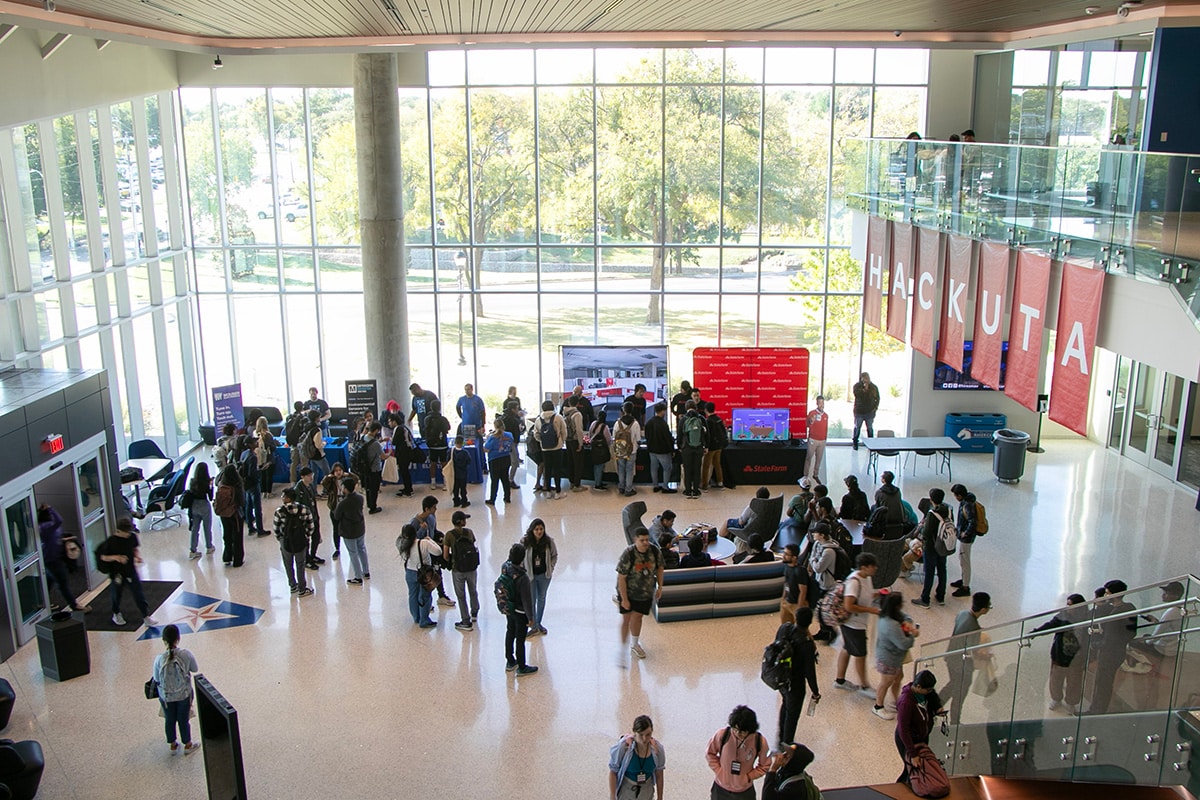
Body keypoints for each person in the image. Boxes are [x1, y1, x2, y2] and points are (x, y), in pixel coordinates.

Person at [1032, 593, 1089, 713]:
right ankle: (1056, 698)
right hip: (1060, 654)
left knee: (1074, 681)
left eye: (1071, 605)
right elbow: (1050, 625)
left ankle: (1071, 702)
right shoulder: (1062, 616)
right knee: (1056, 678)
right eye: (1067, 604)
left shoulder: (1086, 618)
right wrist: (1036, 632)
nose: (1068, 607)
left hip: (1077, 656)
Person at [833, 553, 881, 696]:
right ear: (864, 567)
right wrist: (870, 610)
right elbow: (849, 606)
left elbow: (866, 595)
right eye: (872, 566)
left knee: (847, 648)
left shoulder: (867, 578)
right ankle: (864, 686)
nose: (875, 569)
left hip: (857, 623)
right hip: (852, 624)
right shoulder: (854, 581)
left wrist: (878, 594)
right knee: (861, 654)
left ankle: (839, 680)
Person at [1089, 579, 1138, 714]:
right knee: (1104, 682)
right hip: (1114, 651)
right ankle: (1097, 708)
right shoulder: (1125, 608)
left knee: (1102, 683)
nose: (1105, 596)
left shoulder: (1119, 611)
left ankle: (1097, 710)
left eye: (1107, 593)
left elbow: (1114, 637)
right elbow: (1130, 632)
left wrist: (1098, 644)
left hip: (1109, 653)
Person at [942, 591, 991, 724]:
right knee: (960, 692)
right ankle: (955, 722)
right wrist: (986, 656)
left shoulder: (963, 613)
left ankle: (934, 707)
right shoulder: (974, 628)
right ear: (983, 609)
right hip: (961, 665)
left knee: (953, 684)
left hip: (950, 657)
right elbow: (972, 650)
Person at [616, 527, 664, 660]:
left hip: (645, 592)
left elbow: (660, 568)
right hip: (628, 591)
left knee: (637, 617)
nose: (645, 543)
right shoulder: (628, 554)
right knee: (626, 618)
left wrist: (660, 586)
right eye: (642, 540)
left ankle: (635, 644)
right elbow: (621, 578)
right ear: (635, 539)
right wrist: (624, 599)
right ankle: (622, 646)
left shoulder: (654, 551)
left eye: (647, 540)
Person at [152, 624, 200, 755]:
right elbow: (195, 669)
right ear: (178, 639)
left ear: (164, 640)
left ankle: (173, 745)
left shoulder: (159, 659)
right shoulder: (185, 654)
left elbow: (156, 678)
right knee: (183, 719)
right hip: (183, 694)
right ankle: (188, 744)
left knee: (170, 719)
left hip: (166, 696)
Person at [775, 609, 820, 749]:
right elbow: (809, 672)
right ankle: (787, 742)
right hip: (795, 684)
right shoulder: (806, 645)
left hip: (781, 677)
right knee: (792, 713)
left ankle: (781, 735)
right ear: (810, 622)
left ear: (796, 617)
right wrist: (815, 691)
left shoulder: (785, 628)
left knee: (785, 704)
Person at [706, 705, 771, 800]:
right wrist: (719, 771)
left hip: (744, 791)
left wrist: (748, 777)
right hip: (720, 788)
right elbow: (710, 753)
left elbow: (765, 765)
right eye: (735, 729)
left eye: (742, 731)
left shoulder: (760, 741)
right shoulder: (722, 735)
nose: (737, 733)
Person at [98, 518, 155, 627]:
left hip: (130, 571)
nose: (128, 534)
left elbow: (134, 548)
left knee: (138, 594)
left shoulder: (132, 537)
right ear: (119, 531)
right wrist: (117, 557)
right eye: (126, 532)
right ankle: (116, 613)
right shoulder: (111, 542)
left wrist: (137, 556)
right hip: (117, 573)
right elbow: (103, 557)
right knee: (117, 594)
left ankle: (146, 616)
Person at [894, 670, 945, 785]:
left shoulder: (924, 694)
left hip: (922, 736)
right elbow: (904, 730)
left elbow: (932, 697)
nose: (930, 692)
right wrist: (913, 754)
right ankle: (903, 789)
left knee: (913, 769)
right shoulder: (906, 703)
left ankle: (912, 787)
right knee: (912, 767)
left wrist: (937, 708)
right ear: (918, 686)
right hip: (907, 740)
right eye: (928, 689)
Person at [873, 593, 918, 720]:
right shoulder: (890, 625)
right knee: (886, 681)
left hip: (895, 658)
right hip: (889, 658)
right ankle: (878, 706)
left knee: (898, 677)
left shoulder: (892, 614)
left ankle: (896, 700)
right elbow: (903, 644)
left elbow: (906, 616)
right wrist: (913, 635)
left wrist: (907, 622)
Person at [38, 504, 90, 613]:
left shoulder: (48, 528)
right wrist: (50, 508)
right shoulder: (46, 527)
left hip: (52, 558)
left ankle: (42, 602)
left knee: (49, 580)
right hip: (53, 559)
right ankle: (74, 605)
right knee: (62, 583)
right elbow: (59, 520)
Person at [500, 542, 539, 675]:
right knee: (520, 639)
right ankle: (522, 666)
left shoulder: (505, 567)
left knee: (510, 632)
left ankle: (510, 660)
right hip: (520, 612)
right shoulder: (523, 578)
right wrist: (530, 617)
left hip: (509, 607)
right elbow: (527, 600)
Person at [608, 714, 666, 800]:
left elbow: (659, 774)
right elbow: (613, 772)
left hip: (647, 792)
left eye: (648, 734)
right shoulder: (624, 747)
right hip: (626, 791)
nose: (644, 739)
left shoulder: (658, 749)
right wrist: (613, 797)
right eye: (641, 735)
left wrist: (660, 798)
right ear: (634, 732)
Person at [912, 488, 952, 608]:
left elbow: (926, 533)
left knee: (929, 572)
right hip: (943, 544)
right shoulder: (949, 510)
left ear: (931, 499)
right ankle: (940, 596)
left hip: (931, 546)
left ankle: (925, 599)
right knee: (942, 569)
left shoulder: (932, 513)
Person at [274, 487, 314, 597]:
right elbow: (311, 525)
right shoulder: (304, 509)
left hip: (285, 541)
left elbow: (276, 529)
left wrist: (280, 538)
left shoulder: (279, 511)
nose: (281, 498)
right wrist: (306, 536)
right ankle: (302, 588)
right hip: (301, 540)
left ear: (287, 498)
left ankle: (292, 585)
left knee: (288, 563)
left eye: (283, 496)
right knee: (300, 564)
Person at [443, 510, 480, 631]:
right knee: (473, 590)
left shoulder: (449, 535)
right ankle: (474, 612)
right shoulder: (469, 532)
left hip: (457, 569)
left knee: (461, 595)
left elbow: (445, 555)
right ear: (461, 522)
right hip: (471, 568)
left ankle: (465, 620)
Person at [398, 523, 440, 628]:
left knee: (412, 595)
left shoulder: (402, 545)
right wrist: (430, 540)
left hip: (409, 572)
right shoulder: (424, 543)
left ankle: (416, 617)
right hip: (423, 574)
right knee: (424, 596)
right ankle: (424, 620)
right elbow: (438, 552)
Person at [521, 518, 558, 637]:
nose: (539, 532)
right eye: (536, 529)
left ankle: (538, 624)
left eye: (541, 529)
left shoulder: (549, 542)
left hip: (544, 576)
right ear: (532, 530)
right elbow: (520, 556)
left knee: (541, 598)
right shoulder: (525, 541)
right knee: (531, 600)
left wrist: (551, 568)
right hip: (530, 576)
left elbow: (554, 555)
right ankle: (533, 625)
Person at [332, 475, 368, 585]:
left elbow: (336, 516)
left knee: (353, 553)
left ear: (346, 489)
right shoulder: (360, 498)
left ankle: (357, 576)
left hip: (349, 531)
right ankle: (366, 571)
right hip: (360, 528)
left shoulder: (343, 503)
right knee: (362, 549)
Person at [949, 483, 979, 597]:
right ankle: (963, 580)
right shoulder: (966, 501)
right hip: (964, 536)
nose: (955, 498)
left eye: (956, 495)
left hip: (967, 538)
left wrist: (965, 533)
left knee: (965, 561)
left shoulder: (967, 505)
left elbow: (972, 521)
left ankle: (965, 586)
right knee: (962, 558)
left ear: (960, 495)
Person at [214, 464, 245, 568]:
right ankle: (238, 560)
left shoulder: (221, 485)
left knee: (226, 535)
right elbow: (241, 502)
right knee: (237, 537)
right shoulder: (236, 486)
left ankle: (227, 557)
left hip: (223, 514)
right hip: (235, 514)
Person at [534, 400, 567, 497]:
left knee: (547, 469)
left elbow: (536, 434)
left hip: (545, 448)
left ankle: (548, 491)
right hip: (557, 447)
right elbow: (564, 431)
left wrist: (542, 441)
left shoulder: (538, 420)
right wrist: (562, 441)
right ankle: (558, 491)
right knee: (557, 469)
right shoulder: (558, 417)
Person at [294, 465, 324, 569]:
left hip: (314, 516)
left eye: (312, 475)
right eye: (309, 476)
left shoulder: (310, 486)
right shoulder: (298, 490)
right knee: (306, 540)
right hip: (305, 520)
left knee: (316, 537)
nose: (311, 477)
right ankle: (307, 559)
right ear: (303, 476)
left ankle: (313, 555)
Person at [644, 402, 676, 494]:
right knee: (667, 468)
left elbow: (646, 436)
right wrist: (672, 449)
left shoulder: (649, 422)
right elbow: (667, 438)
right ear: (662, 411)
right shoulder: (663, 424)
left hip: (651, 449)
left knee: (653, 468)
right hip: (662, 451)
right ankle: (665, 487)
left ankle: (655, 485)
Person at [185, 461, 215, 559]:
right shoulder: (206, 482)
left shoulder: (192, 481)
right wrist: (211, 486)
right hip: (204, 505)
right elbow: (210, 497)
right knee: (207, 528)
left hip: (194, 506)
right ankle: (209, 546)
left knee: (195, 529)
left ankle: (193, 550)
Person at [239, 436, 268, 536]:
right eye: (254, 442)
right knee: (257, 507)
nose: (256, 443)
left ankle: (251, 527)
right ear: (250, 444)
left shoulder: (244, 454)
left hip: (246, 484)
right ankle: (260, 530)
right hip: (253, 484)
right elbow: (252, 473)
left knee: (248, 505)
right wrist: (261, 470)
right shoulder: (253, 457)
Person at [679, 400, 707, 498]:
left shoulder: (683, 419)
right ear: (696, 407)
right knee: (697, 469)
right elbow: (707, 434)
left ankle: (687, 490)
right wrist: (706, 446)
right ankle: (695, 490)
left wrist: (679, 446)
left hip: (686, 447)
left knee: (687, 469)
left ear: (686, 408)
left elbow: (679, 434)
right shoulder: (701, 418)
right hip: (699, 447)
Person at [483, 418, 515, 505]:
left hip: (494, 460)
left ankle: (492, 499)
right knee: (505, 479)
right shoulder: (509, 435)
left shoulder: (493, 437)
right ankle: (507, 497)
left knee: (495, 480)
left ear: (495, 426)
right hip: (506, 458)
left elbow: (486, 449)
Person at [614, 403, 643, 498]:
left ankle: (621, 487)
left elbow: (614, 437)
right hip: (632, 450)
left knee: (621, 468)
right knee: (629, 470)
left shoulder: (617, 423)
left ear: (623, 410)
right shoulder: (635, 423)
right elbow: (638, 439)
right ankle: (628, 489)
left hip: (620, 450)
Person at [422, 399, 452, 491]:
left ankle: (433, 482)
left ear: (431, 408)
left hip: (431, 445)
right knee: (444, 464)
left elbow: (424, 430)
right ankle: (445, 483)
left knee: (433, 464)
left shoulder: (427, 419)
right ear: (439, 408)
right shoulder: (443, 419)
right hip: (442, 444)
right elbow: (448, 428)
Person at [361, 421, 389, 514]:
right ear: (376, 430)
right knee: (374, 488)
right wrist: (389, 453)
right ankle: (373, 507)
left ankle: (369, 503)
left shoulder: (363, 437)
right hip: (374, 468)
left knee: (368, 488)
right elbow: (383, 456)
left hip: (365, 467)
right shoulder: (376, 444)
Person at [703, 401, 728, 490]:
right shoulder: (719, 419)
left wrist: (706, 446)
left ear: (706, 410)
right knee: (717, 464)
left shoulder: (708, 421)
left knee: (706, 465)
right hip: (719, 446)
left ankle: (704, 485)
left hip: (711, 447)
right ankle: (720, 482)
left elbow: (707, 435)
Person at [851, 372, 879, 450]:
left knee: (870, 428)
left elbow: (877, 398)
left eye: (867, 378)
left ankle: (871, 443)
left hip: (869, 412)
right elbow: (857, 395)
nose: (865, 380)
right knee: (857, 427)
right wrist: (864, 389)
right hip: (859, 412)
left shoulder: (873, 387)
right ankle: (855, 443)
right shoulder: (857, 386)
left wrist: (875, 408)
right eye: (864, 378)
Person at [588, 409, 614, 490]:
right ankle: (598, 484)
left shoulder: (593, 424)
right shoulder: (604, 427)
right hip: (602, 450)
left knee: (596, 466)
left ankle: (597, 481)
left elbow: (589, 435)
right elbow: (609, 439)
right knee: (600, 466)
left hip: (594, 449)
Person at [804, 395, 828, 483]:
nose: (821, 405)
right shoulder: (812, 413)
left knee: (819, 459)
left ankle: (816, 474)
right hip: (813, 439)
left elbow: (825, 428)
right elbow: (807, 425)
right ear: (817, 403)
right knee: (809, 458)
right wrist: (811, 421)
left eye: (823, 403)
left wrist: (825, 439)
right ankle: (805, 475)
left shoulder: (826, 415)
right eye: (820, 403)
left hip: (822, 441)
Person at [254, 416, 278, 497]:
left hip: (259, 458)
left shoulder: (255, 434)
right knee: (269, 475)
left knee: (262, 475)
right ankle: (269, 492)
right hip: (268, 457)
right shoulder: (267, 435)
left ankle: (263, 492)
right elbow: (273, 447)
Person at [779, 544, 802, 624]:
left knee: (800, 630)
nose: (783, 556)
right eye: (784, 553)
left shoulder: (800, 571)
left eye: (786, 554)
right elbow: (786, 584)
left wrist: (799, 608)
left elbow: (803, 591)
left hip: (795, 604)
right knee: (786, 627)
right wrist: (783, 599)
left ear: (794, 557)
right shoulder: (787, 568)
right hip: (786, 602)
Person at [450, 434, 471, 507]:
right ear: (463, 443)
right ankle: (464, 501)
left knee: (455, 488)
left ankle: (456, 501)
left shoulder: (451, 452)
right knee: (463, 488)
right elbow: (469, 461)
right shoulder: (465, 453)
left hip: (454, 474)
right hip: (463, 474)